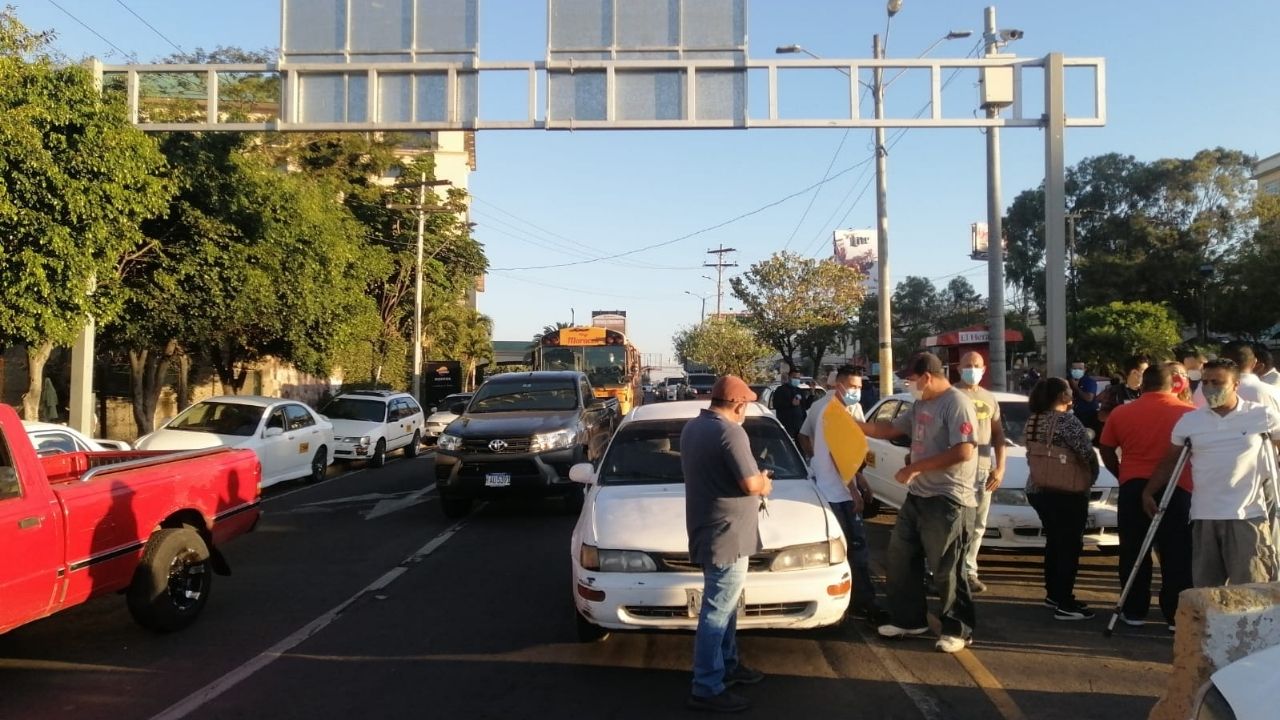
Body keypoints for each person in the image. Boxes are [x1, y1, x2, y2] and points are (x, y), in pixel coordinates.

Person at [858, 352, 979, 653]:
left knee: (946, 568)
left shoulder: (956, 403)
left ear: (927, 376)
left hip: (948, 498)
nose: (909, 385)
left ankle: (958, 629)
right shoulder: (921, 402)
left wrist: (914, 468)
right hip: (918, 497)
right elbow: (889, 429)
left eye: (911, 380)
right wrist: (851, 425)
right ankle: (909, 619)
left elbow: (964, 451)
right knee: (900, 559)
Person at [1143, 359, 1280, 588]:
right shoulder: (1190, 421)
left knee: (1251, 590)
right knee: (1207, 590)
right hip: (1204, 515)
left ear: (1235, 384)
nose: (1209, 387)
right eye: (1205, 382)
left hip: (1248, 515)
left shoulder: (1262, 416)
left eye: (1217, 382)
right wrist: (1149, 491)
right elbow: (1170, 461)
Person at [681, 375, 771, 713]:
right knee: (717, 611)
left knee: (726, 605)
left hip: (711, 528)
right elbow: (749, 483)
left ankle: (729, 663)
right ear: (738, 404)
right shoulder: (730, 431)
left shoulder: (694, 428)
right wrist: (765, 483)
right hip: (727, 534)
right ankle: (707, 685)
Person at [1098, 365, 1195, 631]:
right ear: (1173, 384)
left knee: (1133, 549)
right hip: (1179, 487)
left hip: (1133, 484)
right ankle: (1175, 613)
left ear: (1143, 385)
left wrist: (1120, 474)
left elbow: (1106, 448)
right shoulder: (1189, 414)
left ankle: (1134, 609)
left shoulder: (1122, 412)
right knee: (1177, 552)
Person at [798, 365, 886, 624]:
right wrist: (853, 491)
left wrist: (861, 481)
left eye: (860, 387)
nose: (857, 392)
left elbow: (848, 455)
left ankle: (857, 601)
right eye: (853, 387)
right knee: (854, 552)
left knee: (854, 551)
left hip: (841, 490)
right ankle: (861, 603)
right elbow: (838, 456)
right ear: (840, 386)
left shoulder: (844, 411)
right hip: (836, 494)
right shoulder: (832, 413)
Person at [1025, 377, 1100, 620]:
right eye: (1068, 390)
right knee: (1069, 546)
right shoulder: (1067, 421)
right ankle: (1065, 602)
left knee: (1054, 542)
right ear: (1061, 396)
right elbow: (1086, 452)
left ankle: (1053, 594)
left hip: (1038, 489)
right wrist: (1091, 476)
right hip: (1066, 491)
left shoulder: (1034, 419)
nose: (1072, 393)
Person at [954, 352, 1006, 594]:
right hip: (955, 472)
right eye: (967, 366)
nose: (972, 370)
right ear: (958, 368)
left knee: (978, 524)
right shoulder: (950, 395)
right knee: (953, 524)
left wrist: (1000, 467)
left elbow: (998, 435)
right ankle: (942, 572)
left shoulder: (989, 398)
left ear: (984, 369)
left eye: (976, 366)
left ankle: (969, 571)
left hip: (983, 471)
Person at [1098, 355, 1149, 425]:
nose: (1147, 375)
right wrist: (1124, 413)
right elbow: (1102, 417)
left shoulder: (1148, 392)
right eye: (1144, 372)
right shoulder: (1114, 391)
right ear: (1133, 372)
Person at [772, 366, 807, 441]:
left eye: (798, 378)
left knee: (801, 450)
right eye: (794, 377)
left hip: (799, 426)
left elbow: (805, 406)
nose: (796, 380)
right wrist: (791, 404)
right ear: (789, 377)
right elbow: (776, 404)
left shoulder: (799, 390)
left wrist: (812, 394)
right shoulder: (781, 390)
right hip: (787, 426)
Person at [1068, 361, 1101, 438]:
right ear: (1071, 369)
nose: (1077, 371)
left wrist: (1076, 387)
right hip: (1074, 415)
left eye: (1080, 368)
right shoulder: (1068, 381)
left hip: (1088, 416)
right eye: (1074, 368)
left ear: (1085, 369)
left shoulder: (1089, 382)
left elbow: (1089, 398)